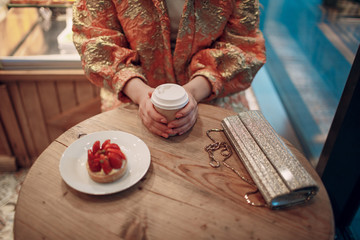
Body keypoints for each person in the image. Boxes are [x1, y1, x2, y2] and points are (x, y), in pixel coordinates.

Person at [72, 0, 266, 138]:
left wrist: (193, 92)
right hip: (132, 89)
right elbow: (96, 40)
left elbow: (243, 44)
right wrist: (141, 96)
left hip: (214, 89)